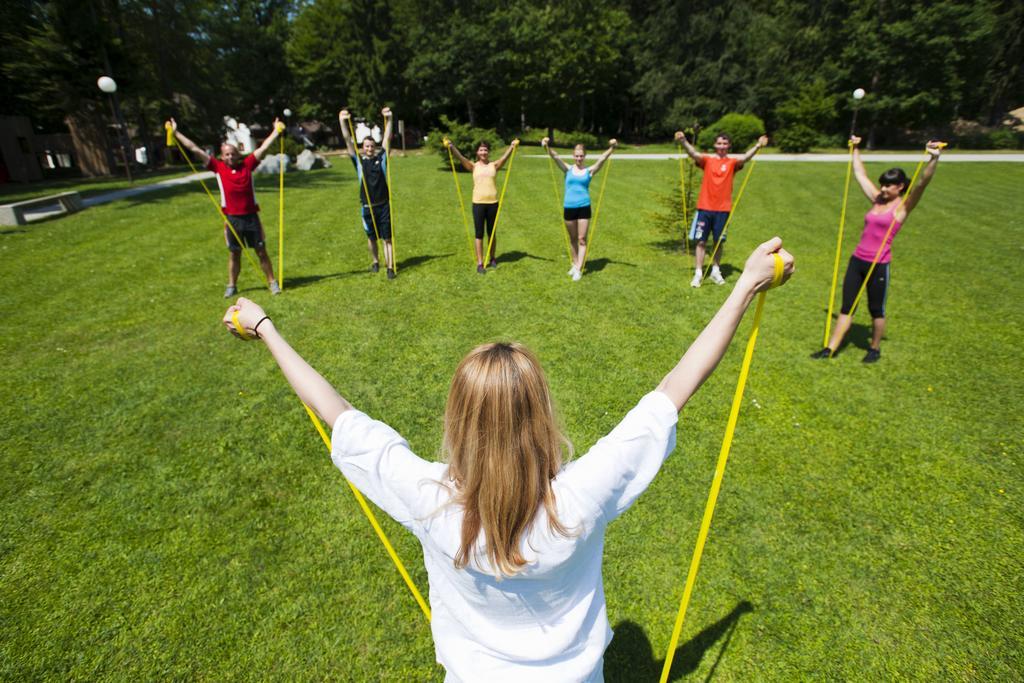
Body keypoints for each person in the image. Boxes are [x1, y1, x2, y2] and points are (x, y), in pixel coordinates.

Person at [222, 238, 794, 681]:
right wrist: (743, 285)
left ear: (457, 421)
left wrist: (266, 326)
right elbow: (675, 388)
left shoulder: (426, 498)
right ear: (543, 417)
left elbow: (337, 412)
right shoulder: (580, 499)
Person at [811, 137, 943, 363]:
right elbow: (860, 175)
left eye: (888, 185)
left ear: (900, 186)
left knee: (876, 309)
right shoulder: (876, 200)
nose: (882, 188)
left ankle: (874, 348)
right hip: (857, 261)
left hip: (879, 264)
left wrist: (933, 158)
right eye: (881, 184)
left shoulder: (902, 207)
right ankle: (830, 348)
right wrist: (855, 148)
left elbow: (922, 184)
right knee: (846, 307)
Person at [168, 117, 283, 297]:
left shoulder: (248, 165)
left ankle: (272, 282)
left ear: (238, 154)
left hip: (251, 217)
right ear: (222, 156)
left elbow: (264, 148)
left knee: (261, 251)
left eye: (233, 153)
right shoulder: (218, 167)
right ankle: (231, 285)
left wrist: (276, 131)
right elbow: (194, 149)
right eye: (227, 154)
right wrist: (175, 133)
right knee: (234, 254)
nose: (230, 157)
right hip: (232, 219)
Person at [674, 130, 769, 288]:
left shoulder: (732, 163)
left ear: (729, 146)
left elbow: (745, 157)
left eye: (725, 144)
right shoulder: (708, 161)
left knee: (718, 242)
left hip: (723, 209)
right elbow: (694, 154)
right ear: (715, 145)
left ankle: (715, 271)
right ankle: (698, 273)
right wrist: (683, 141)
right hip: (704, 208)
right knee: (701, 241)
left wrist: (758, 145)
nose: (722, 146)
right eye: (719, 143)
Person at [542, 138, 617, 281]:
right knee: (572, 239)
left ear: (584, 156)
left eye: (581, 156)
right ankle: (575, 263)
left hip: (584, 207)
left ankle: (578, 268)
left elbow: (601, 159)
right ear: (573, 156)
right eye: (577, 155)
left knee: (582, 239)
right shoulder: (567, 169)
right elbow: (555, 156)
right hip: (569, 207)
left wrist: (612, 148)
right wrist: (546, 146)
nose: (579, 158)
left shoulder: (589, 171)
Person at [445, 138, 520, 274]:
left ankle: (492, 258)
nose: (483, 152)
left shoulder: (494, 166)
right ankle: (480, 263)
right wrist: (451, 147)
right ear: (477, 152)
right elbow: (460, 157)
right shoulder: (473, 166)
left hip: (493, 203)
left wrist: (512, 146)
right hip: (478, 203)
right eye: (481, 150)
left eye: (485, 149)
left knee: (492, 233)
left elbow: (505, 158)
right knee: (479, 234)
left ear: (488, 152)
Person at [340, 108, 396, 279]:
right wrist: (342, 121)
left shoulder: (382, 159)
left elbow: (387, 138)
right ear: (363, 148)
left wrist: (390, 118)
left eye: (372, 146)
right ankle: (375, 261)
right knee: (372, 238)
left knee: (387, 238)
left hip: (383, 205)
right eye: (367, 146)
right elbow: (347, 140)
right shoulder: (359, 161)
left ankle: (390, 267)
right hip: (367, 206)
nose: (370, 148)